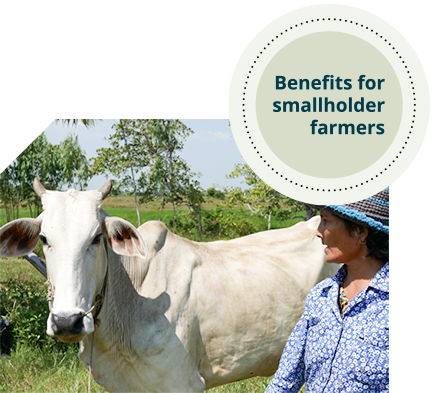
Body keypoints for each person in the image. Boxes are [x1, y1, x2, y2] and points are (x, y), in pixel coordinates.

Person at [265, 188, 389, 392]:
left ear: (360, 231)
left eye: (326, 220)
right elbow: (285, 381)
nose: (318, 231)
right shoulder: (321, 296)